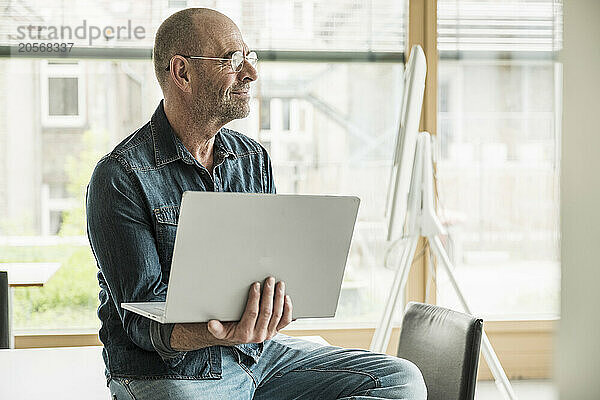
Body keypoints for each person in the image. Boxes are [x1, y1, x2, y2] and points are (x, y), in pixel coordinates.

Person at [86, 8, 427, 400]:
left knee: (401, 379)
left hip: (256, 358)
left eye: (249, 56)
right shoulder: (120, 176)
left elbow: (268, 266)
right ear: (182, 73)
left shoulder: (252, 159)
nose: (250, 72)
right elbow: (140, 321)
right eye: (233, 60)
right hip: (171, 375)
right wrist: (218, 330)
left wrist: (279, 298)